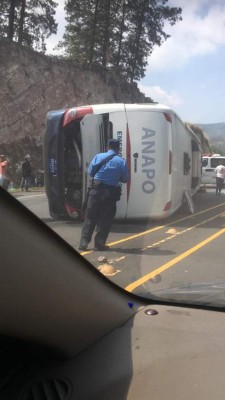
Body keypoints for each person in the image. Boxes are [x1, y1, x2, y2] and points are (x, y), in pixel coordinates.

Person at [79, 139, 129, 251]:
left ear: (107, 147)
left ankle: (84, 242)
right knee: (105, 218)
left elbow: (91, 172)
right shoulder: (121, 161)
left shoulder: (98, 156)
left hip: (95, 190)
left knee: (90, 217)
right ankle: (99, 244)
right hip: (110, 193)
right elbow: (125, 179)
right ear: (118, 149)